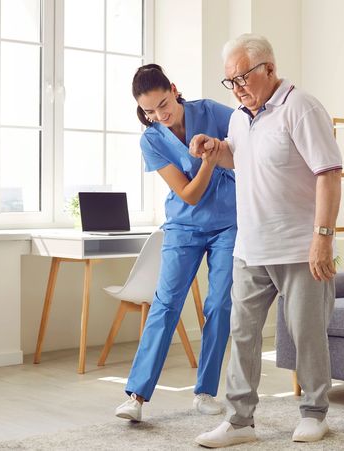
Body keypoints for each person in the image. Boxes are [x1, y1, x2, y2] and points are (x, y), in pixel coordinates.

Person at [190, 34, 342, 447]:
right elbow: (242, 158)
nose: (237, 87)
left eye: (243, 77)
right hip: (251, 247)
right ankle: (240, 422)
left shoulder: (301, 107)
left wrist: (323, 239)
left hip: (299, 246)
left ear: (269, 69)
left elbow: (328, 174)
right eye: (230, 81)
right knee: (242, 333)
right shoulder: (240, 117)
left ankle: (315, 412)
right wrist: (215, 149)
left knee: (307, 333)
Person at [114, 64, 237, 422]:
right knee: (166, 305)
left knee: (218, 305)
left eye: (163, 104)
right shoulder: (151, 139)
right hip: (184, 226)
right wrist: (210, 164)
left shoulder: (212, 111)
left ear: (174, 89)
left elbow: (251, 131)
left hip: (229, 224)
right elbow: (188, 194)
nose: (160, 115)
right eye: (150, 111)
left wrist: (221, 150)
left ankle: (205, 392)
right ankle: (136, 396)